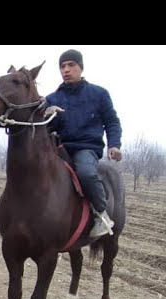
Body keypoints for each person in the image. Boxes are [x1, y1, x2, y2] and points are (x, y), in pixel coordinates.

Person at [45, 49, 122, 239]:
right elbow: (43, 127)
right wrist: (47, 114)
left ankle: (101, 215)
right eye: (62, 66)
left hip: (85, 148)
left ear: (81, 67)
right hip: (59, 148)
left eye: (71, 65)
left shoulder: (99, 94)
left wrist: (114, 144)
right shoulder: (52, 99)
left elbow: (112, 121)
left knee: (86, 173)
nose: (66, 70)